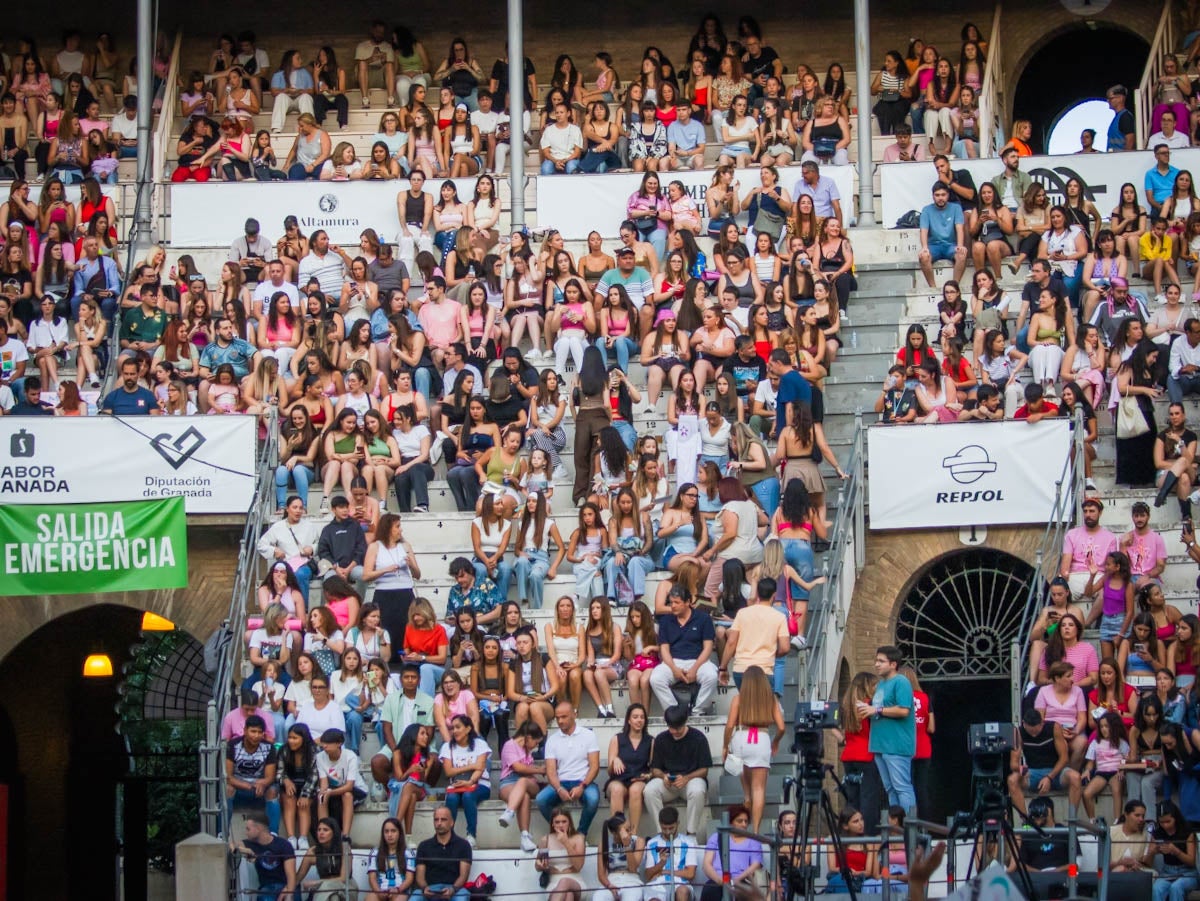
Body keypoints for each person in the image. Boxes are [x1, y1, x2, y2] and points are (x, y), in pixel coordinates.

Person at [862, 645, 917, 815]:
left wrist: (876, 710)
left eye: (881, 661)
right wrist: (867, 709)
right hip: (880, 744)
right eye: (876, 661)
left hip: (896, 744)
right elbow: (880, 709)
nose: (877, 664)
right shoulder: (881, 684)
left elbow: (903, 710)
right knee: (890, 789)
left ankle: (909, 827)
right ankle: (897, 829)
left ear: (893, 664)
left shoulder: (901, 682)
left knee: (902, 787)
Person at [644, 703, 713, 838]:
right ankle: (662, 833)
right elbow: (655, 768)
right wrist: (664, 776)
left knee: (698, 790)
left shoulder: (698, 738)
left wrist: (686, 778)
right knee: (649, 791)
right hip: (668, 784)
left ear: (685, 721)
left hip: (691, 781)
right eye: (671, 728)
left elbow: (704, 769)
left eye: (678, 728)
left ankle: (691, 834)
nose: (675, 731)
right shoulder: (661, 739)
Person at [537, 700, 601, 837]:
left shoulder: (588, 735)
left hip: (583, 781)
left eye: (564, 717)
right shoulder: (552, 740)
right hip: (561, 782)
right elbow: (551, 771)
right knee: (541, 800)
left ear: (574, 715)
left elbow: (595, 766)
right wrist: (559, 788)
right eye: (557, 717)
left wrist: (582, 786)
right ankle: (561, 832)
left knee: (593, 799)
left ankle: (581, 834)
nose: (560, 721)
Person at [650, 587, 719, 715]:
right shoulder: (665, 621)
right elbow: (664, 649)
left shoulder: (703, 618)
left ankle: (698, 710)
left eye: (677, 602)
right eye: (671, 602)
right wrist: (674, 668)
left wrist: (694, 669)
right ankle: (675, 711)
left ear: (687, 602)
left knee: (712, 676)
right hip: (673, 660)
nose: (673, 606)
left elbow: (708, 647)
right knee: (655, 678)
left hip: (698, 661)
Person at [1007, 707, 1082, 816]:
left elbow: (1064, 758)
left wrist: (1049, 777)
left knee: (1075, 777)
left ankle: (1072, 821)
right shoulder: (1018, 732)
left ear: (1042, 723)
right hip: (1033, 773)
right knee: (1012, 780)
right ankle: (1026, 822)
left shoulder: (1054, 727)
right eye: (1030, 731)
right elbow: (1013, 763)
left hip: (1056, 771)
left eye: (1036, 731)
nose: (1033, 735)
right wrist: (1020, 769)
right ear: (1024, 723)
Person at [225, 714, 280, 833]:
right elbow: (228, 777)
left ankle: (273, 833)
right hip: (239, 788)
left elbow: (270, 777)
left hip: (260, 790)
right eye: (253, 731)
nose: (256, 736)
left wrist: (263, 783)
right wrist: (248, 786)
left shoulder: (269, 747)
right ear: (245, 730)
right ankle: (222, 833)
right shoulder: (233, 746)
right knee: (227, 789)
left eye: (260, 732)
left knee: (273, 791)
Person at [699, 805, 764, 901]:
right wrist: (719, 880)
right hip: (717, 880)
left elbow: (756, 865)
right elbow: (706, 864)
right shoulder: (716, 837)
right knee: (709, 892)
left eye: (746, 821)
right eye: (740, 821)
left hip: (742, 880)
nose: (744, 824)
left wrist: (736, 880)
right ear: (730, 822)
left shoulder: (753, 840)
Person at [1058, 497, 1118, 600]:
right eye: (1085, 511)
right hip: (1075, 576)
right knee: (1058, 593)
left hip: (1099, 576)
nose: (1088, 515)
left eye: (1092, 511)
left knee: (1106, 594)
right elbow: (1065, 568)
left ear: (1100, 513)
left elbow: (1111, 568)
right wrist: (1064, 578)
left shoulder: (1110, 538)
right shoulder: (1071, 535)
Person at [230, 811, 297, 899]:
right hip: (267, 888)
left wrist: (289, 893)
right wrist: (246, 850)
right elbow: (231, 845)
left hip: (286, 886)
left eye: (248, 829)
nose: (246, 832)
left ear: (258, 829)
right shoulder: (250, 844)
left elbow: (291, 875)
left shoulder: (283, 844)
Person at [412, 806, 472, 901]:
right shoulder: (424, 846)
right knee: (415, 898)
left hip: (454, 889)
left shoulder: (463, 845)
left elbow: (463, 876)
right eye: (436, 820)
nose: (439, 823)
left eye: (443, 819)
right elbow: (420, 877)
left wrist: (452, 890)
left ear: (451, 823)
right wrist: (425, 889)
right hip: (430, 889)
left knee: (462, 898)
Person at [1142, 799, 1197, 901]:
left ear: (1175, 818)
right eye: (1162, 822)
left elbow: (1191, 862)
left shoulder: (1186, 832)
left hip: (1187, 873)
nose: (1165, 825)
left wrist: (1176, 851)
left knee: (1176, 887)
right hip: (1167, 872)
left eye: (1168, 821)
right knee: (1157, 889)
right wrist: (1152, 852)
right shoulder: (1157, 833)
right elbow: (1147, 863)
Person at [918, 182, 967, 289]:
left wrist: (960, 245)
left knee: (962, 255)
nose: (940, 198)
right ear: (933, 196)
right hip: (934, 246)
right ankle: (933, 288)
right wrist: (924, 247)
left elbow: (960, 228)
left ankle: (954, 287)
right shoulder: (927, 210)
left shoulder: (956, 208)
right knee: (924, 256)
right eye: (937, 195)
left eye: (943, 195)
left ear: (948, 195)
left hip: (951, 245)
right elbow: (923, 230)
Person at [643, 806, 699, 901]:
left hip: (680, 884)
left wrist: (665, 871)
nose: (668, 832)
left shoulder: (688, 843)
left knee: (682, 891)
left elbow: (690, 874)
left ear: (678, 823)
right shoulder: (652, 843)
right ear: (660, 824)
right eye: (664, 828)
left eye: (671, 828)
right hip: (657, 885)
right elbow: (648, 876)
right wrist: (661, 863)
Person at [598, 813, 646, 901]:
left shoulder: (638, 841)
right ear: (614, 833)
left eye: (630, 828)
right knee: (598, 897)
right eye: (626, 830)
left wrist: (627, 845)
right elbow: (601, 874)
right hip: (612, 880)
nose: (630, 833)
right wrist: (609, 886)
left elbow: (633, 869)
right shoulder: (604, 843)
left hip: (632, 880)